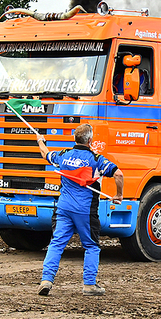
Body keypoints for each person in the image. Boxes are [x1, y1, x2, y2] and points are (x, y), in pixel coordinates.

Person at [35, 123, 124, 297]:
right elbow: (118, 174)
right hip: (85, 210)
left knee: (57, 243)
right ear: (90, 140)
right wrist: (119, 195)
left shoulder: (63, 155)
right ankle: (89, 285)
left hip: (64, 208)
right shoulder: (96, 159)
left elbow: (46, 154)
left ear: (75, 139)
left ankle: (46, 280)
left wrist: (40, 141)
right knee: (91, 246)